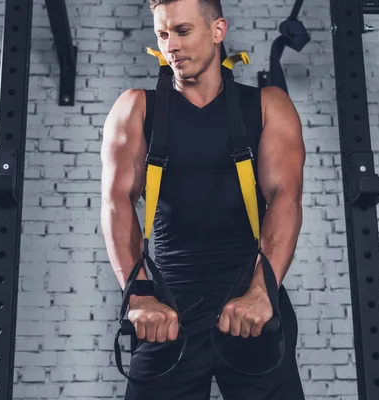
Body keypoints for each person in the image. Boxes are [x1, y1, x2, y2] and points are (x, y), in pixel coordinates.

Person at [100, 0, 305, 398]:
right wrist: (140, 296)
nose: (170, 46)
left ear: (217, 31)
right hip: (170, 307)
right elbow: (116, 201)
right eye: (162, 35)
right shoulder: (136, 109)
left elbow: (286, 199)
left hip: (250, 299)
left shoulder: (267, 107)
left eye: (182, 31)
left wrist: (262, 292)